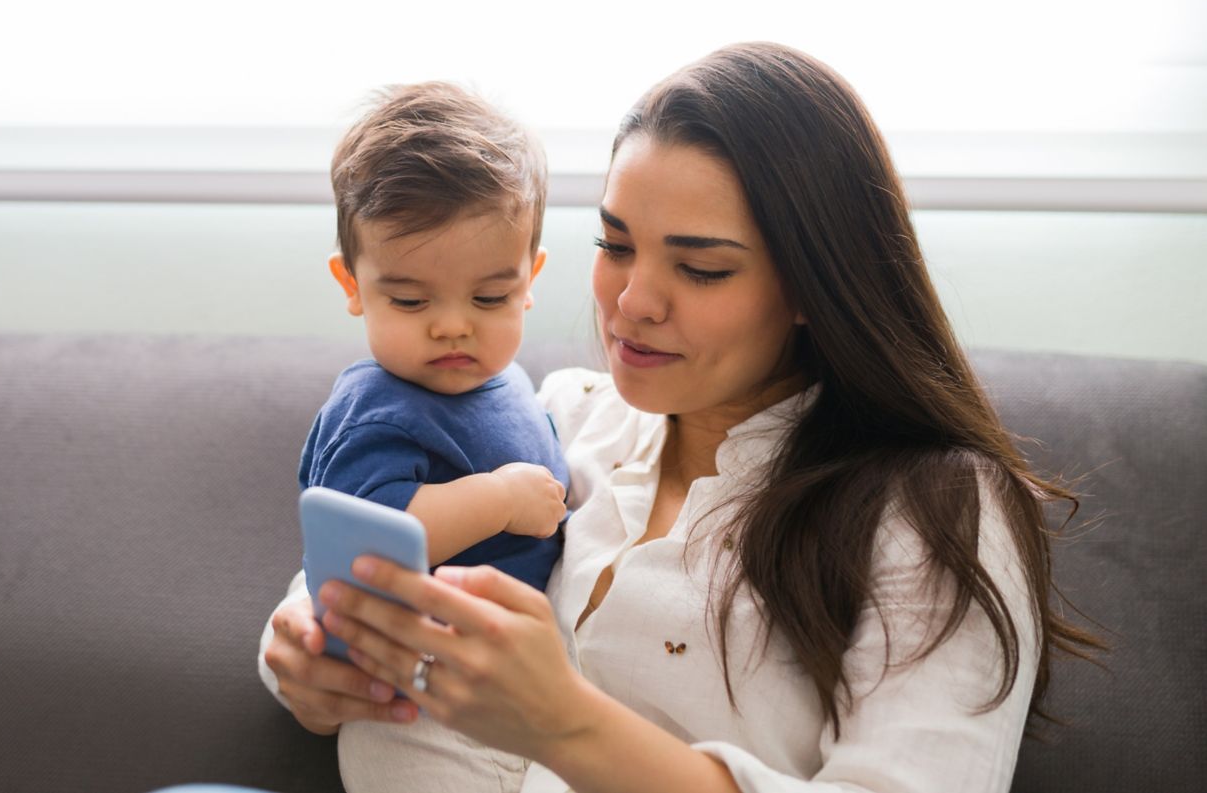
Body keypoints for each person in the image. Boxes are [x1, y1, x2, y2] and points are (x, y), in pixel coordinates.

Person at [261, 42, 1102, 793]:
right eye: (615, 245)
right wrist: (296, 654)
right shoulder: (557, 419)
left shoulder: (937, 512)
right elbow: (358, 550)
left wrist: (566, 723)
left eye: (699, 269)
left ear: (813, 285)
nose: (630, 303)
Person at [299, 82, 571, 791]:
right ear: (352, 283)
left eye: (489, 297)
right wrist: (499, 498)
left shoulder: (513, 383)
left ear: (529, 279)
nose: (453, 324)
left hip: (512, 690)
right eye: (410, 299)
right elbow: (367, 540)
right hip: (412, 701)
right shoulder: (376, 406)